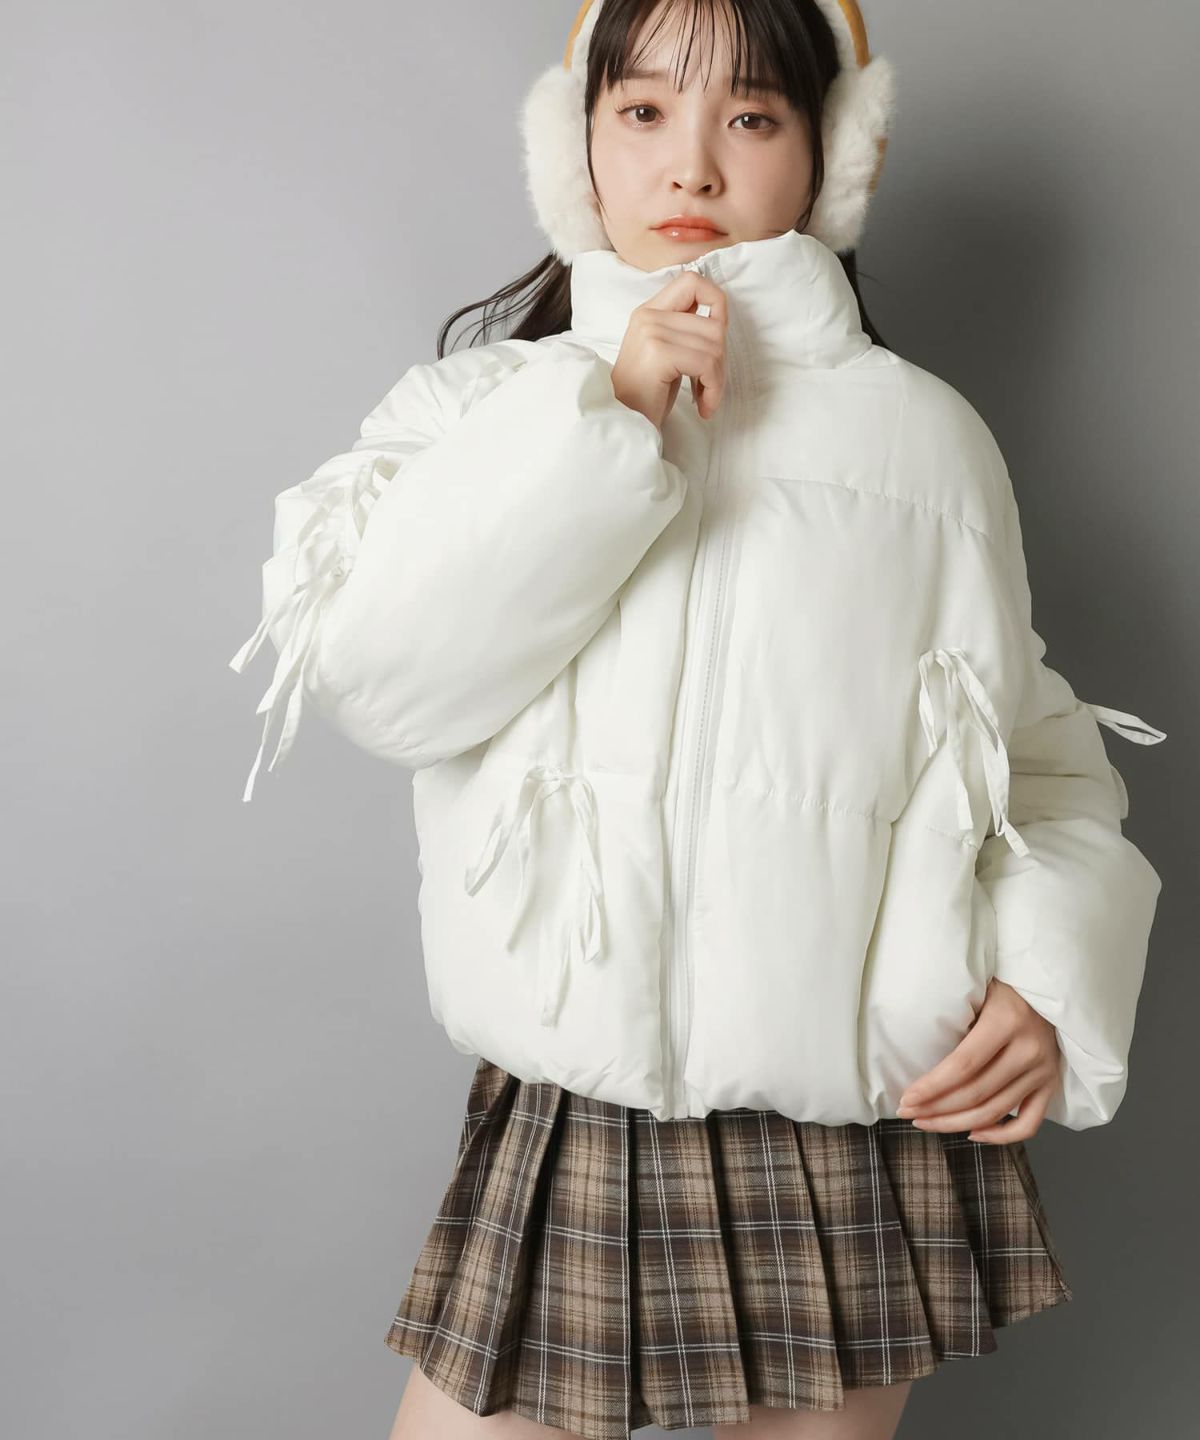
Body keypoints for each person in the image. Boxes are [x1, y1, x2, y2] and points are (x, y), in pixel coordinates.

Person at [228, 2, 1168, 1437]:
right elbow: (387, 683)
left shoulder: (925, 443)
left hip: (849, 1113)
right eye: (644, 111)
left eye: (751, 117)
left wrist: (1047, 971)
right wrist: (606, 419)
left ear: (832, 155)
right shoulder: (482, 410)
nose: (692, 166)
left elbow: (1029, 760)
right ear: (576, 149)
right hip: (578, 1098)